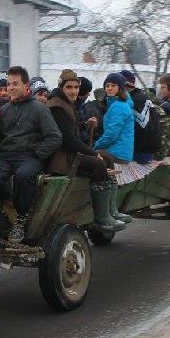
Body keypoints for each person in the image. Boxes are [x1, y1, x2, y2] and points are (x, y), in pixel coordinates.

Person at [45, 69, 124, 233]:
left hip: (69, 152)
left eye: (76, 87)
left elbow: (69, 129)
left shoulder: (65, 102)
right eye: (69, 87)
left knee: (107, 158)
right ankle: (101, 218)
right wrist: (93, 153)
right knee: (98, 164)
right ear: (62, 87)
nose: (73, 91)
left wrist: (84, 125)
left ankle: (110, 211)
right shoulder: (57, 107)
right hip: (61, 157)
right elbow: (68, 141)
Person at [0, 66, 62, 243]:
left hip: (30, 157)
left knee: (23, 176)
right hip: (6, 157)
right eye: (8, 84)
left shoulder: (39, 109)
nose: (10, 88)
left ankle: (20, 220)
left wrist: (37, 153)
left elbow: (54, 137)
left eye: (15, 84)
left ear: (26, 85)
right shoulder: (5, 110)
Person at [93, 73, 134, 224]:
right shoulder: (116, 104)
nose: (109, 89)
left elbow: (111, 134)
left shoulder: (119, 107)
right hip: (118, 148)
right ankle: (112, 211)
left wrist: (94, 147)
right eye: (107, 86)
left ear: (120, 88)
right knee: (108, 169)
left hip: (118, 150)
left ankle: (108, 212)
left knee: (96, 159)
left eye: (113, 86)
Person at [119, 69, 162, 163]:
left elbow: (140, 129)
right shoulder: (142, 97)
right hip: (148, 151)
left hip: (140, 154)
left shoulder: (134, 102)